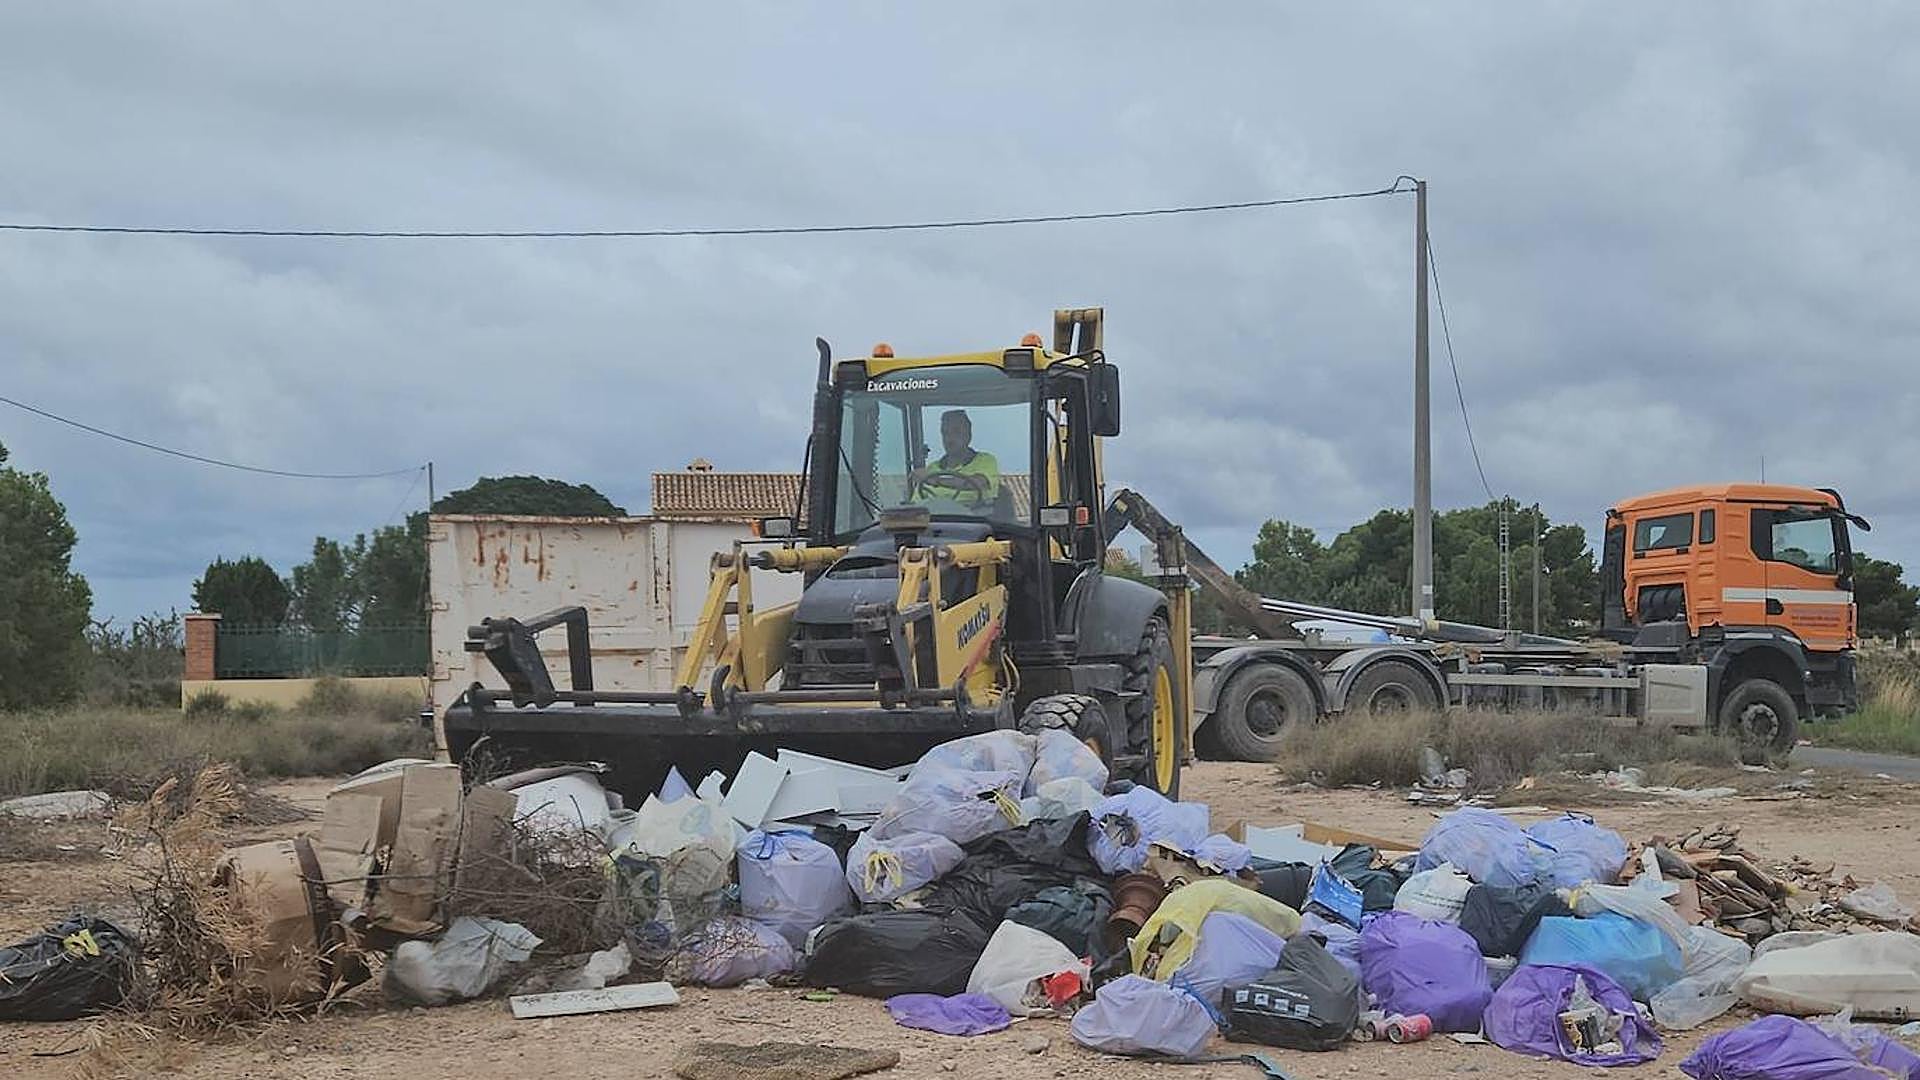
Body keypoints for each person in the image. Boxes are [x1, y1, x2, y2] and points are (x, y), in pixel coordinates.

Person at [909, 409, 1000, 510]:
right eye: (945, 433)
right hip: (937, 523)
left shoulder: (985, 461)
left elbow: (976, 483)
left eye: (956, 432)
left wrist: (936, 481)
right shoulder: (931, 469)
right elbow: (915, 505)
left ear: (968, 435)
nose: (949, 438)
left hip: (975, 522)